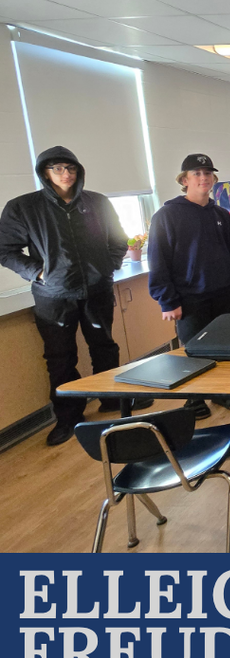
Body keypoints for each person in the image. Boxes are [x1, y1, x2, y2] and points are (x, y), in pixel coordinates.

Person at [0, 146, 152, 445]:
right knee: (60, 357)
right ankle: (68, 417)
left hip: (96, 291)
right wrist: (38, 273)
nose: (65, 174)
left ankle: (113, 400)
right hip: (53, 297)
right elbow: (5, 250)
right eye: (57, 168)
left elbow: (118, 240)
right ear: (45, 173)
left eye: (70, 168)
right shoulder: (23, 207)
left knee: (105, 347)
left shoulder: (97, 202)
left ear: (78, 171)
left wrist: (107, 267)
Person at [148, 153, 230, 420]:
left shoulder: (220, 214)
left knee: (223, 346)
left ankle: (221, 392)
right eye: (197, 173)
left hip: (223, 292)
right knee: (193, 349)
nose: (204, 178)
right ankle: (194, 399)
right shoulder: (167, 215)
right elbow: (158, 260)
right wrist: (167, 300)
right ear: (184, 180)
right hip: (189, 297)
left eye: (208, 173)